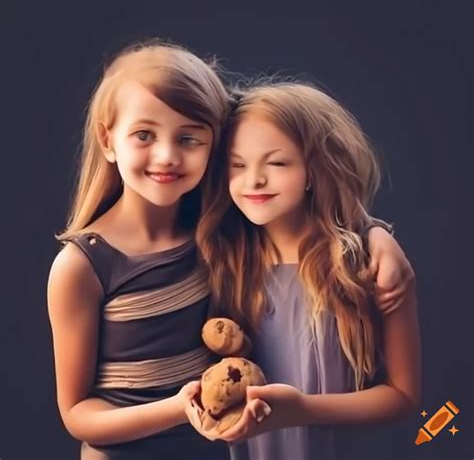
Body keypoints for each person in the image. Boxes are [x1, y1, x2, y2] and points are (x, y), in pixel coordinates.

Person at [193, 82, 420, 460]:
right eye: (237, 165)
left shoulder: (368, 267)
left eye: (277, 162)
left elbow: (403, 396)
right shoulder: (223, 260)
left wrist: (300, 410)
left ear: (314, 170)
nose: (254, 180)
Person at [47, 40, 231, 459]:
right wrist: (180, 408)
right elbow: (77, 413)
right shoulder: (82, 266)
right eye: (144, 134)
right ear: (108, 140)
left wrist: (377, 236)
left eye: (190, 138)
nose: (167, 156)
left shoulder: (212, 232)